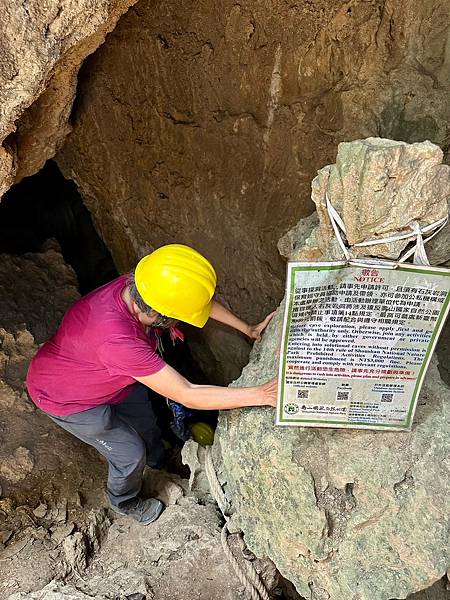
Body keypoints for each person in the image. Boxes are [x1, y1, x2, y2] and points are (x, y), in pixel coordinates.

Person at [27, 244, 276, 525]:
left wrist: (247, 328)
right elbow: (188, 393)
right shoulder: (118, 341)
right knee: (130, 453)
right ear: (157, 313)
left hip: (108, 375)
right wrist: (262, 394)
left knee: (146, 421)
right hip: (67, 398)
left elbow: (192, 304)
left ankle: (159, 461)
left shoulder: (144, 284)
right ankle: (125, 501)